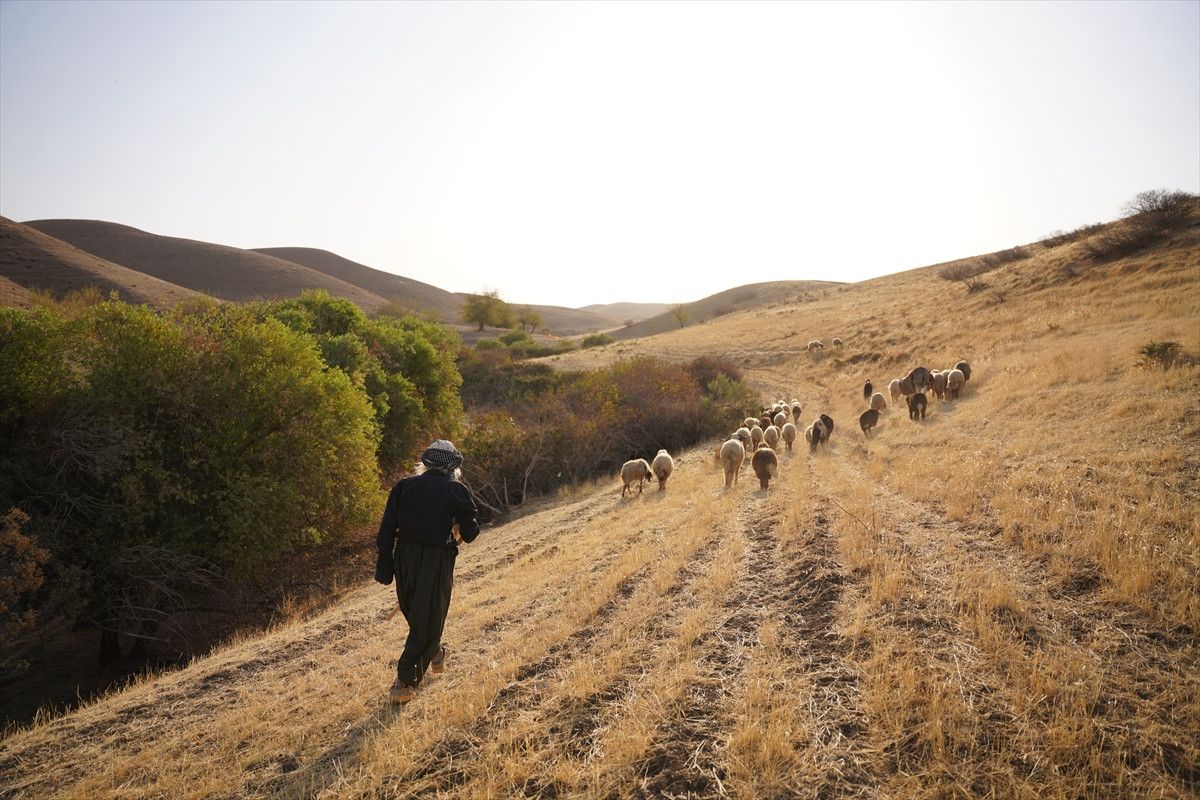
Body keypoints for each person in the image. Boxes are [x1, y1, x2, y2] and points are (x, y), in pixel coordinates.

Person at [375, 439, 480, 704]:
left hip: (404, 557)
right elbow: (471, 532)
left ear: (426, 462)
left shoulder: (403, 486)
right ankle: (407, 681)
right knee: (426, 616)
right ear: (453, 466)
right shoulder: (455, 489)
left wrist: (385, 567)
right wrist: (460, 526)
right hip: (437, 557)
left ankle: (420, 666)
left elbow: (386, 530)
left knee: (419, 613)